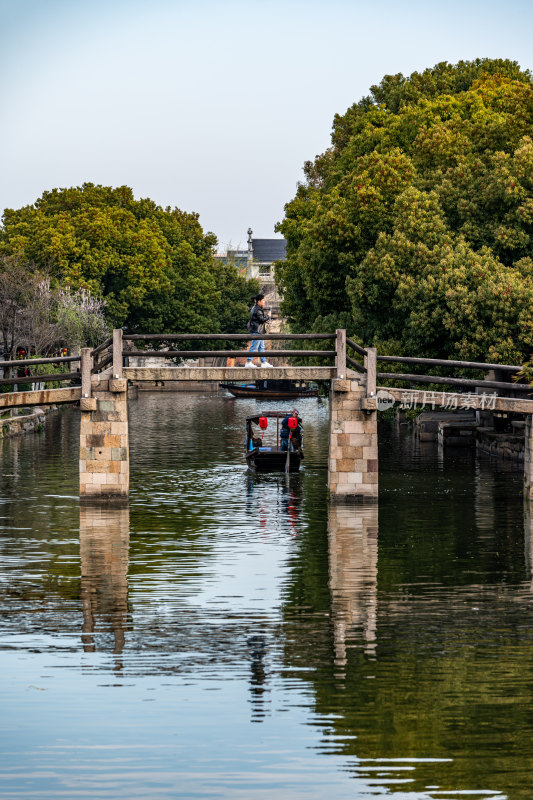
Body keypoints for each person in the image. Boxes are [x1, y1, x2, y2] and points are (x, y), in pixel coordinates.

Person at [246, 294, 273, 368]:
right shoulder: (257, 309)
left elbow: (258, 320)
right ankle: (248, 362)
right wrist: (268, 316)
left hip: (258, 330)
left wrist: (265, 320)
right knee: (254, 346)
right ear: (259, 301)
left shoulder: (256, 308)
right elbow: (261, 319)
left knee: (261, 347)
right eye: (263, 300)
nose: (264, 302)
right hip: (256, 330)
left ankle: (263, 362)